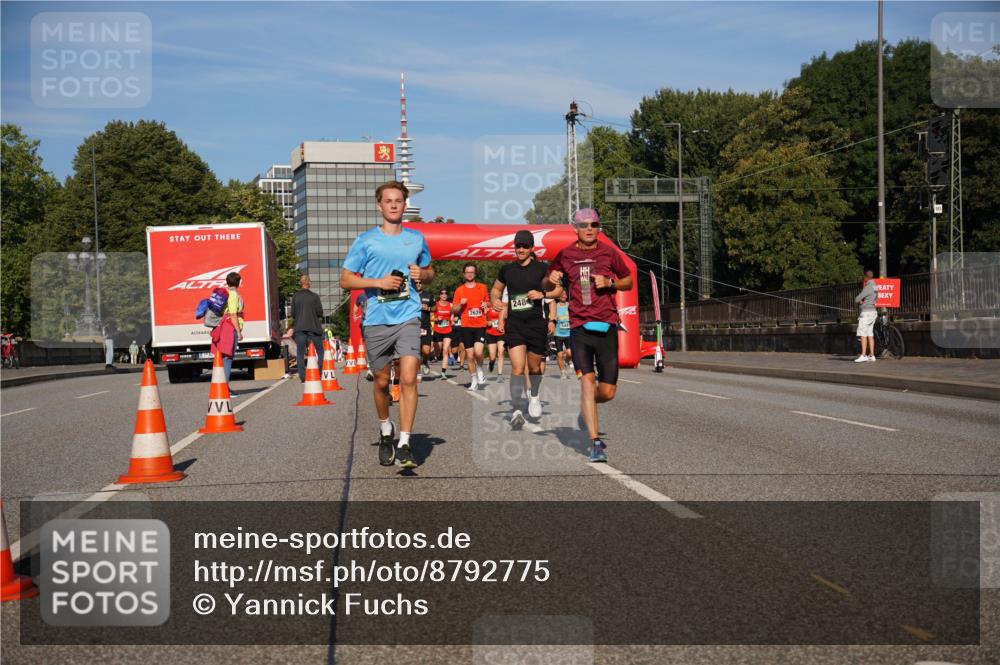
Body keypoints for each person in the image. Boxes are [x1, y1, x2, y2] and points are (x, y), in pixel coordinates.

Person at [341, 181, 433, 469]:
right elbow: (346, 279)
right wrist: (378, 282)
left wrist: (423, 275)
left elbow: (430, 271)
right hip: (377, 320)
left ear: (405, 205)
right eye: (388, 201)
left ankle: (405, 443)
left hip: (408, 316)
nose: (394, 205)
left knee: (408, 378)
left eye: (398, 200)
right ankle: (385, 429)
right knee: (381, 382)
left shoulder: (416, 239)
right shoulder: (366, 241)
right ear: (379, 206)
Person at [548, 209, 632, 462]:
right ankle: (595, 443)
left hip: (606, 326)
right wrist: (550, 279)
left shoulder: (609, 252)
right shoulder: (565, 254)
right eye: (584, 225)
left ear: (598, 227)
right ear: (575, 228)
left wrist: (611, 283)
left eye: (594, 224)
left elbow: (628, 280)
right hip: (579, 327)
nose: (589, 229)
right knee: (587, 380)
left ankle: (587, 404)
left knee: (607, 393)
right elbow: (547, 284)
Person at [491, 229, 562, 428]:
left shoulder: (542, 269)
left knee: (534, 367)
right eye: (518, 246)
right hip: (515, 325)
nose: (520, 249)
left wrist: (542, 295)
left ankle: (534, 395)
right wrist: (494, 299)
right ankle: (516, 409)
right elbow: (496, 289)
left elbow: (559, 290)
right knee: (517, 367)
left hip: (535, 325)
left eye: (525, 246)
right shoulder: (507, 270)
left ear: (532, 248)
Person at [453, 263, 490, 390]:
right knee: (469, 355)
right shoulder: (459, 290)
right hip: (466, 325)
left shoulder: (482, 287)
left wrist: (486, 305)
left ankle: (480, 370)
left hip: (480, 324)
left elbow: (488, 303)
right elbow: (454, 309)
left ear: (475, 273)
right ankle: (474, 380)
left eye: (472, 272)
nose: (469, 274)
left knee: (478, 353)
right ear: (464, 274)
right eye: (467, 272)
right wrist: (460, 304)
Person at [289, 274, 326, 382]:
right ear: (309, 283)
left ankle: (303, 376)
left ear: (300, 283)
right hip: (314, 328)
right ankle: (320, 373)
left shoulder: (295, 297)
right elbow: (320, 313)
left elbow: (293, 314)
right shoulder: (315, 297)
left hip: (300, 328)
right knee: (320, 351)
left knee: (300, 353)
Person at [222, 271, 244, 396]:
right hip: (230, 329)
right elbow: (233, 314)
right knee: (227, 358)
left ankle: (223, 387)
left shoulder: (226, 292)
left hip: (224, 327)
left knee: (224, 358)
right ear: (238, 282)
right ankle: (225, 388)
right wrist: (238, 331)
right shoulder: (233, 295)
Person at [854, 269, 878, 363]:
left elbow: (857, 299)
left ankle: (863, 355)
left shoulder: (868, 286)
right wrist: (867, 302)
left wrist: (862, 302)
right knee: (870, 334)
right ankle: (872, 355)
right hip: (873, 312)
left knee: (863, 334)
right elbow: (875, 297)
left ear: (866, 277)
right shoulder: (875, 286)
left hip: (866, 313)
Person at [431, 289, 453, 378]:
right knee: (438, 352)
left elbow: (452, 316)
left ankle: (443, 373)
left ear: (447, 296)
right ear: (439, 295)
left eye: (446, 293)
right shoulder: (435, 305)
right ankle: (434, 355)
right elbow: (430, 317)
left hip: (448, 330)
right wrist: (436, 319)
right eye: (442, 293)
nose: (444, 295)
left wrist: (453, 320)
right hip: (438, 331)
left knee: (445, 350)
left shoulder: (451, 305)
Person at [486, 298, 506, 381]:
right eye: (496, 300)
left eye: (499, 300)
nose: (497, 302)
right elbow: (483, 319)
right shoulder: (488, 307)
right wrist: (487, 322)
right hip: (491, 333)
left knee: (501, 352)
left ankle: (500, 375)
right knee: (492, 356)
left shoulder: (504, 308)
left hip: (501, 333)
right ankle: (491, 363)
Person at [417, 281, 434, 380]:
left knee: (426, 351)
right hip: (413, 326)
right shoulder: (409, 295)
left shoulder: (428, 295)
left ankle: (425, 362)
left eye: (420, 282)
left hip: (425, 326)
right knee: (416, 351)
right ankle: (418, 373)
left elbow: (435, 308)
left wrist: (428, 308)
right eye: (416, 282)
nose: (418, 284)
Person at [553, 290, 572, 379]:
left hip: (568, 333)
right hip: (558, 333)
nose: (563, 296)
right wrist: (554, 318)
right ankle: (563, 372)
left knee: (570, 353)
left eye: (565, 294)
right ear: (558, 296)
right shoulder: (555, 306)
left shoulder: (569, 305)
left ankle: (567, 362)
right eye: (561, 294)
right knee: (560, 354)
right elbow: (551, 316)